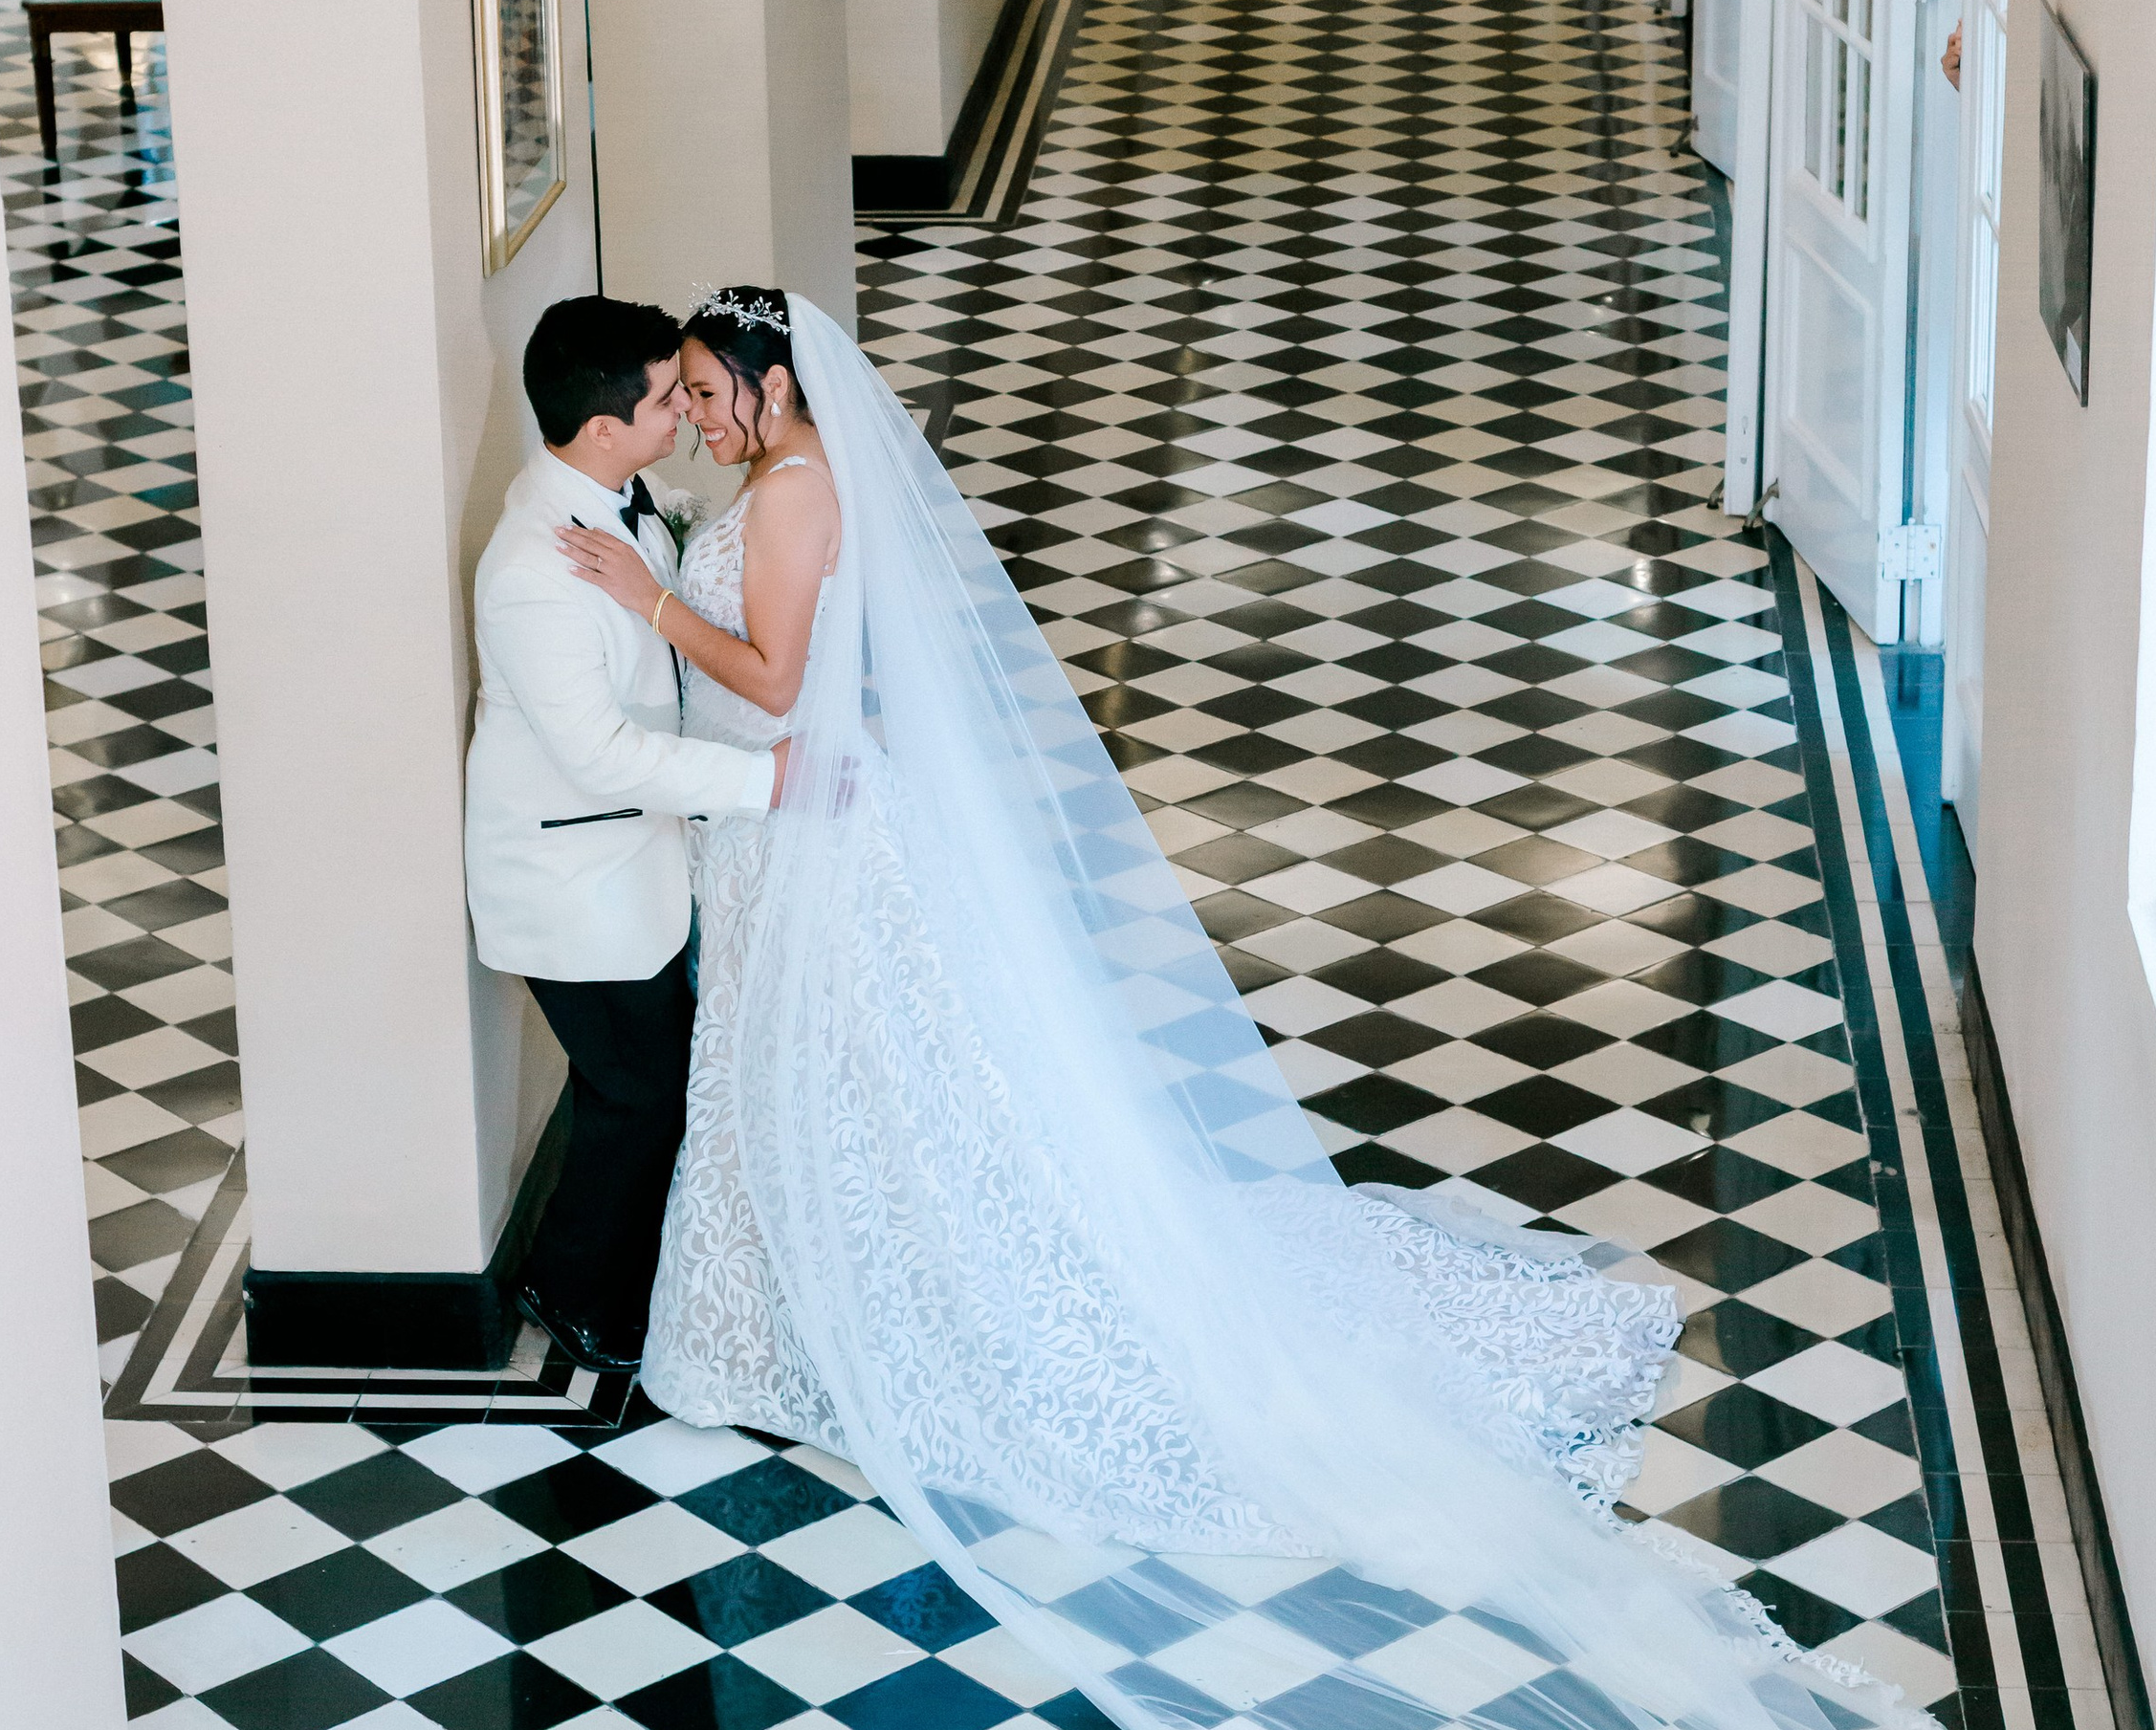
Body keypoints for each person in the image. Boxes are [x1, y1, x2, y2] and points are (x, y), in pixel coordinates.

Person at [556, 287, 1932, 1730]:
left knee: (871, 1077)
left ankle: (864, 1315)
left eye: (711, 392)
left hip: (811, 829)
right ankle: (802, 1310)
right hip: (791, 831)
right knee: (843, 1077)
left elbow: (774, 678)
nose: (695, 419)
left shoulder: (790, 496)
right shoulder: (788, 482)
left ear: (774, 389)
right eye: (687, 395)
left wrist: (645, 601)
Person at [464, 295, 783, 1373]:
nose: (683, 415)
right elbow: (598, 755)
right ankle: (571, 1288)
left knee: (654, 1080)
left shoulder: (615, 492)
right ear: (604, 428)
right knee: (636, 1093)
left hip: (636, 857)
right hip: (575, 874)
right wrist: (760, 781)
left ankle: (621, 1270)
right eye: (665, 399)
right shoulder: (530, 577)